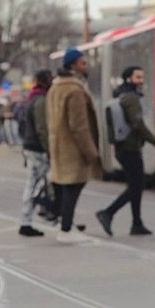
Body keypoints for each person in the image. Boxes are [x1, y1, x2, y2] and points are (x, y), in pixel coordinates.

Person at [95, 66, 155, 237]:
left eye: (142, 77)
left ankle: (136, 223)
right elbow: (138, 123)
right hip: (130, 148)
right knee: (137, 186)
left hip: (124, 147)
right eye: (137, 77)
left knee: (136, 185)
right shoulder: (131, 98)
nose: (141, 80)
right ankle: (108, 213)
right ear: (128, 79)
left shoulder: (121, 95)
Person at [47, 48, 102, 244]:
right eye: (83, 63)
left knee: (65, 186)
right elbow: (79, 126)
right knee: (74, 185)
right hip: (73, 148)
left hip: (58, 145)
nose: (86, 66)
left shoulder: (55, 87)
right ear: (73, 66)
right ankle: (66, 228)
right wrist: (91, 152)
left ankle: (65, 224)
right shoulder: (74, 90)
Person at [19, 69, 53, 237]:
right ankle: (27, 221)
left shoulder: (31, 99)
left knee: (36, 183)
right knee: (36, 184)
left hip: (30, 145)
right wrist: (49, 148)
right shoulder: (40, 101)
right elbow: (42, 128)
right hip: (37, 148)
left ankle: (31, 219)